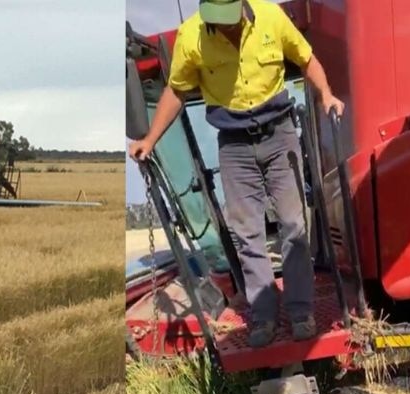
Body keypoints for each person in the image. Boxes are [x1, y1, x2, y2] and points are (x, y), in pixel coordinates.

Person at [128, 0, 344, 347]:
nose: (224, 28)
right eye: (216, 22)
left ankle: (301, 311)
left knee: (293, 225)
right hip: (234, 145)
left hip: (279, 133)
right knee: (247, 234)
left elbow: (306, 60)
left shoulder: (271, 18)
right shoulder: (192, 36)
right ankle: (263, 319)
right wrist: (150, 140)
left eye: (229, 20)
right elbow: (178, 90)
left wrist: (327, 96)